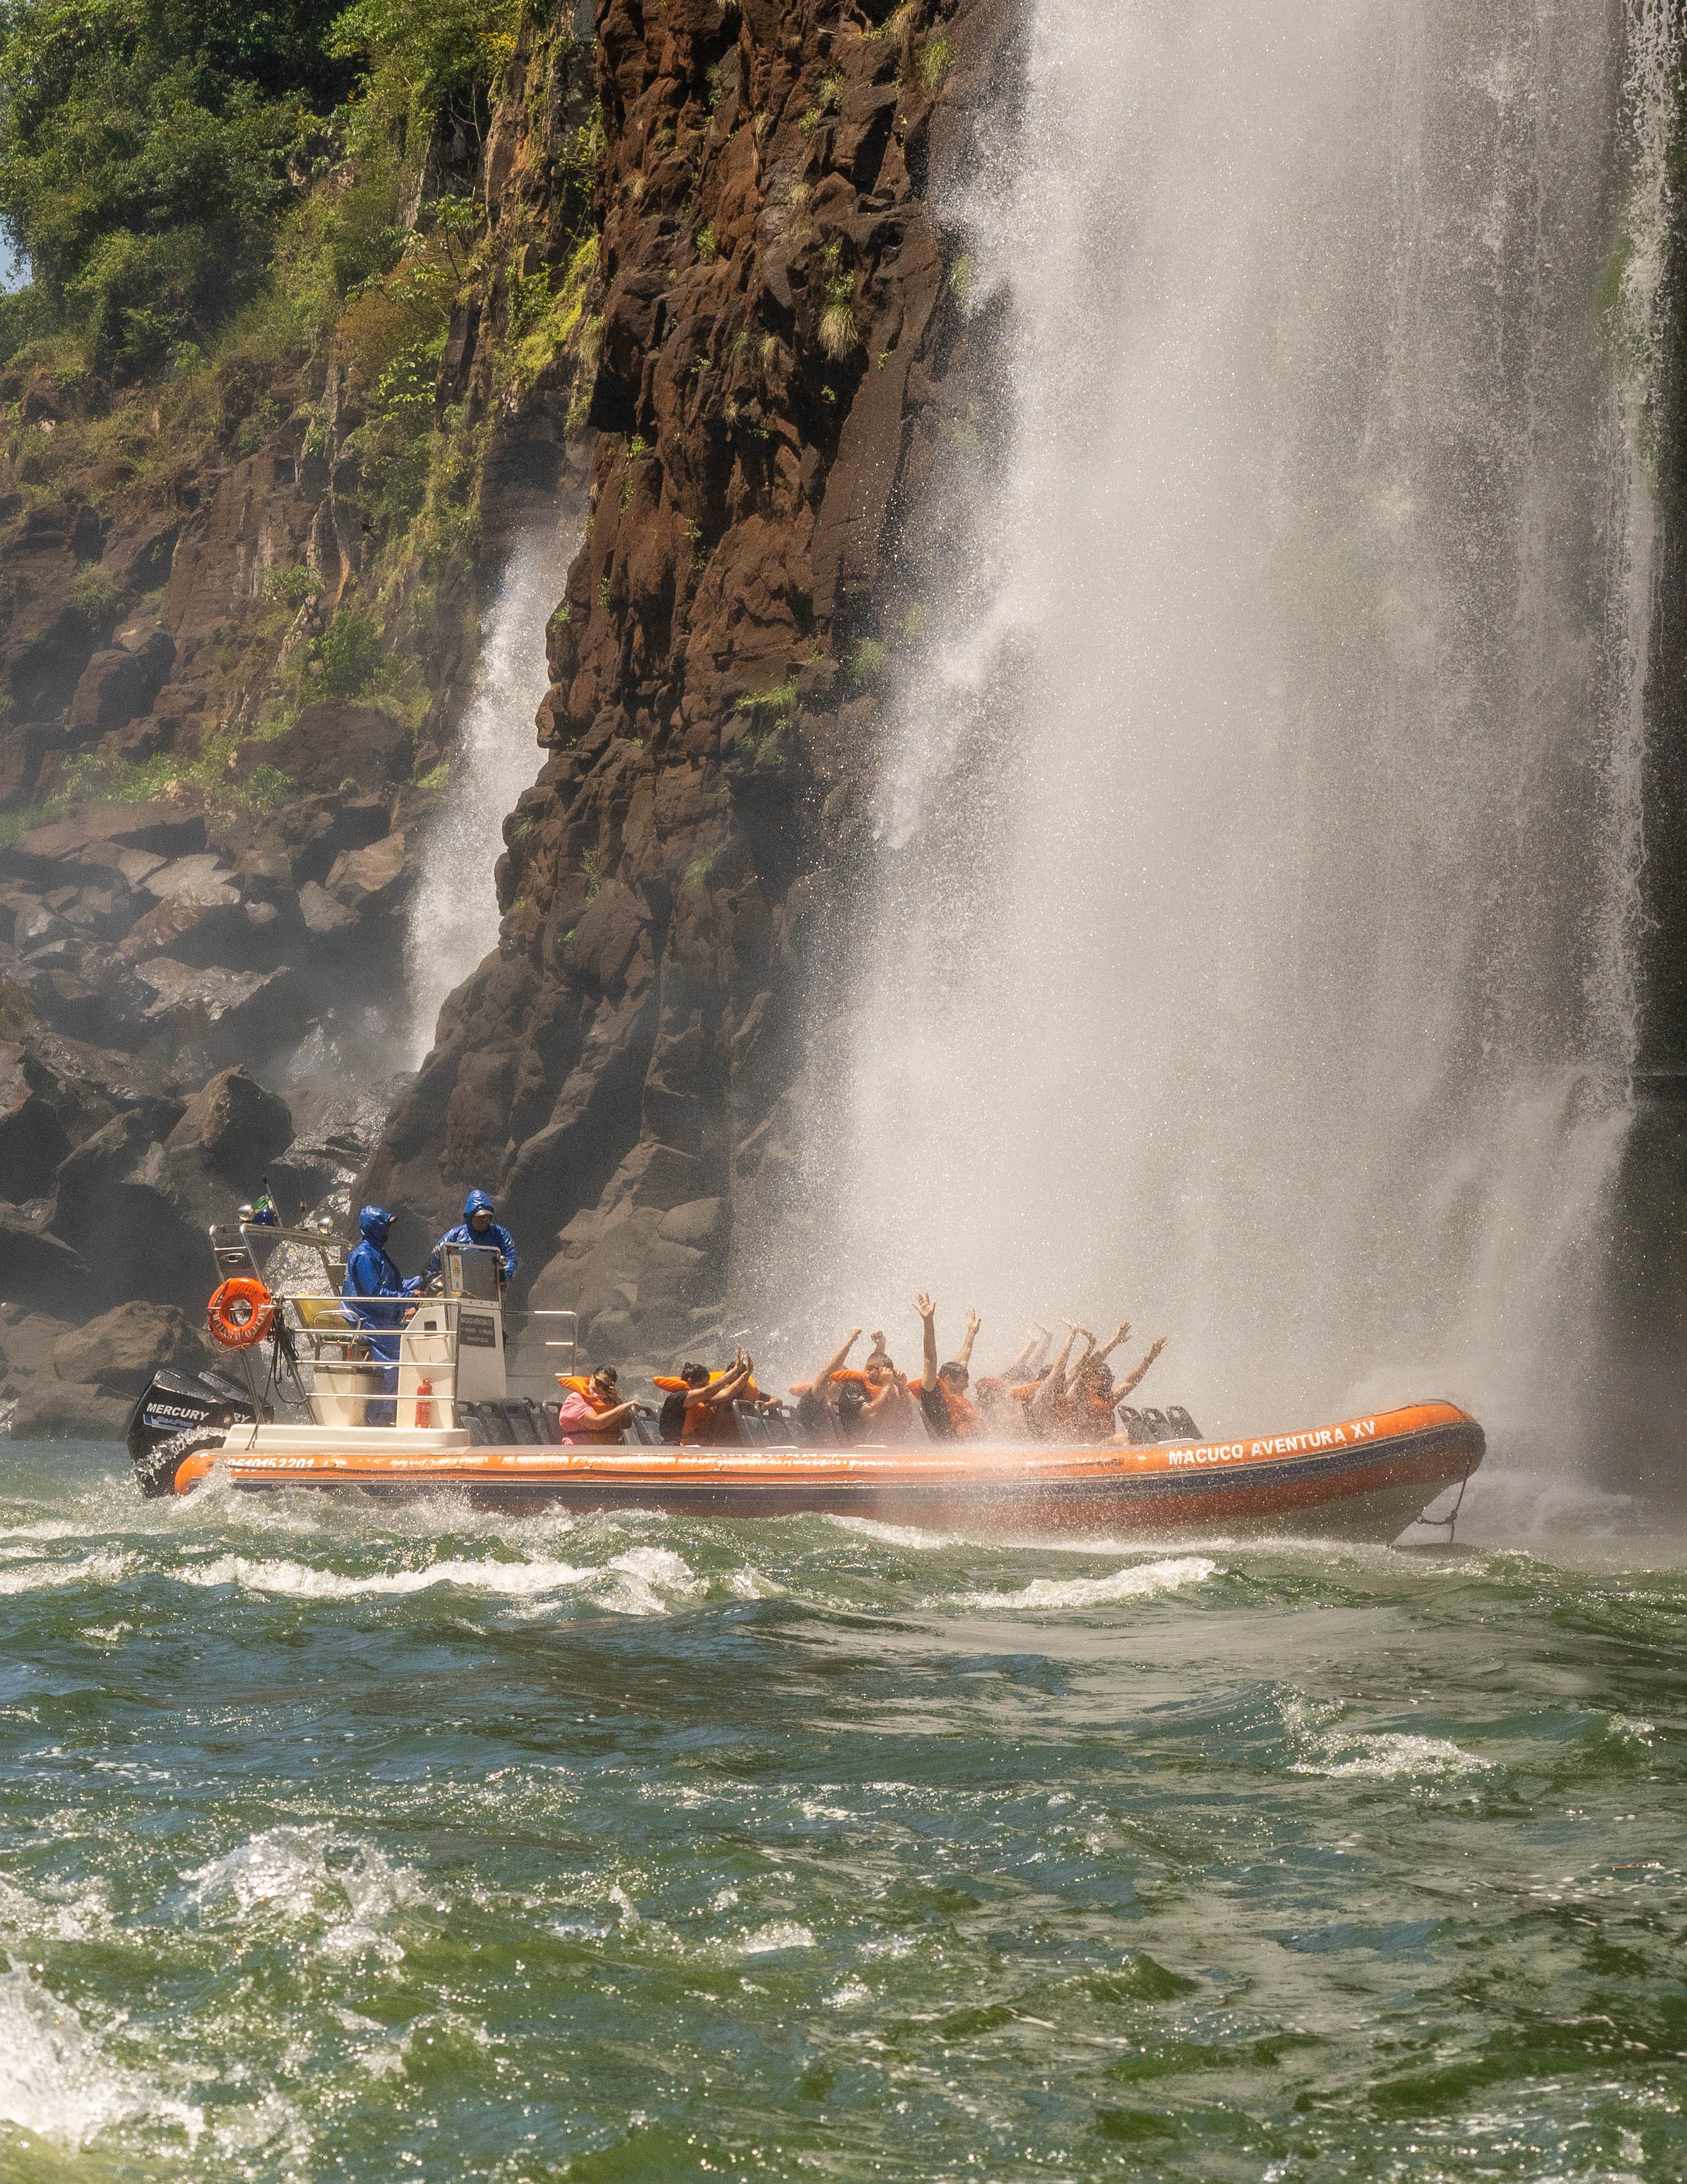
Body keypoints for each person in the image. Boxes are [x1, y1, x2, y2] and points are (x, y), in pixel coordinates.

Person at [341, 1205, 419, 1425]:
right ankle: (380, 1416)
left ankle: (396, 1410)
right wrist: (408, 1297)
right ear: (375, 1228)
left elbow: (398, 1283)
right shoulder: (365, 1256)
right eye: (385, 1226)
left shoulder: (379, 1254)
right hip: (367, 1320)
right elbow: (376, 1295)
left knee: (414, 1343)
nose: (388, 1231)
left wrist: (422, 1282)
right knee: (400, 1356)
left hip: (382, 1318)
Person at [908, 1294, 981, 1438]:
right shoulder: (931, 1390)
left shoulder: (952, 1389)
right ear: (948, 1380)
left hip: (967, 1447)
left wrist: (971, 1333)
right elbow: (930, 1358)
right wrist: (928, 1323)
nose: (967, 1386)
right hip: (947, 1448)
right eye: (963, 1381)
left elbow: (962, 1361)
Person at [420, 1189, 518, 1290]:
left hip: (491, 1293)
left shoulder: (500, 1234)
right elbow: (434, 1262)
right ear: (470, 1217)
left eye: (487, 1216)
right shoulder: (455, 1236)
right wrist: (434, 1284)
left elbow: (511, 1258)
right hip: (459, 1292)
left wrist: (505, 1277)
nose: (484, 1220)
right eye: (480, 1217)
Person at [555, 1364, 639, 1443]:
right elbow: (597, 1423)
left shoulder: (612, 1403)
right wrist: (625, 1406)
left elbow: (627, 1424)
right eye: (599, 1383)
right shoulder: (575, 1399)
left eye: (606, 1387)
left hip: (608, 1452)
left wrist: (618, 1401)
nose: (600, 1388)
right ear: (592, 1378)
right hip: (581, 1451)